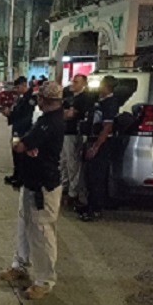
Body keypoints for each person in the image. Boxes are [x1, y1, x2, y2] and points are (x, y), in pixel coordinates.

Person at [0, 81, 65, 300]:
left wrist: (20, 141)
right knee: (24, 224)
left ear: (44, 100)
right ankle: (20, 265)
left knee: (42, 232)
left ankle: (44, 280)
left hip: (43, 187)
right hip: (31, 182)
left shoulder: (50, 123)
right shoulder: (45, 120)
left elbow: (20, 145)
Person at [78, 76, 119, 222]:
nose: (99, 88)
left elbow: (107, 128)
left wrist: (95, 147)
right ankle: (89, 205)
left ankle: (95, 209)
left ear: (107, 86)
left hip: (101, 143)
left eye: (102, 85)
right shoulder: (99, 101)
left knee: (97, 178)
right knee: (89, 176)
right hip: (91, 139)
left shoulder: (110, 103)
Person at [61, 74, 92, 207]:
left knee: (73, 164)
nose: (73, 83)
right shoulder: (69, 96)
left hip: (74, 134)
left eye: (76, 82)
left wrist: (66, 113)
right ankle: (64, 188)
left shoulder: (84, 99)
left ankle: (73, 193)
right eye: (73, 81)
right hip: (65, 132)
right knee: (63, 162)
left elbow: (69, 114)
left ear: (83, 84)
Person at [1, 76, 36, 188]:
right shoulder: (20, 98)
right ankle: (16, 175)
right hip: (17, 130)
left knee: (22, 155)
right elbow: (16, 113)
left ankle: (22, 178)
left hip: (24, 131)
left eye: (18, 86)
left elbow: (28, 117)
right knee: (15, 152)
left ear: (24, 85)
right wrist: (9, 114)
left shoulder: (31, 98)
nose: (17, 89)